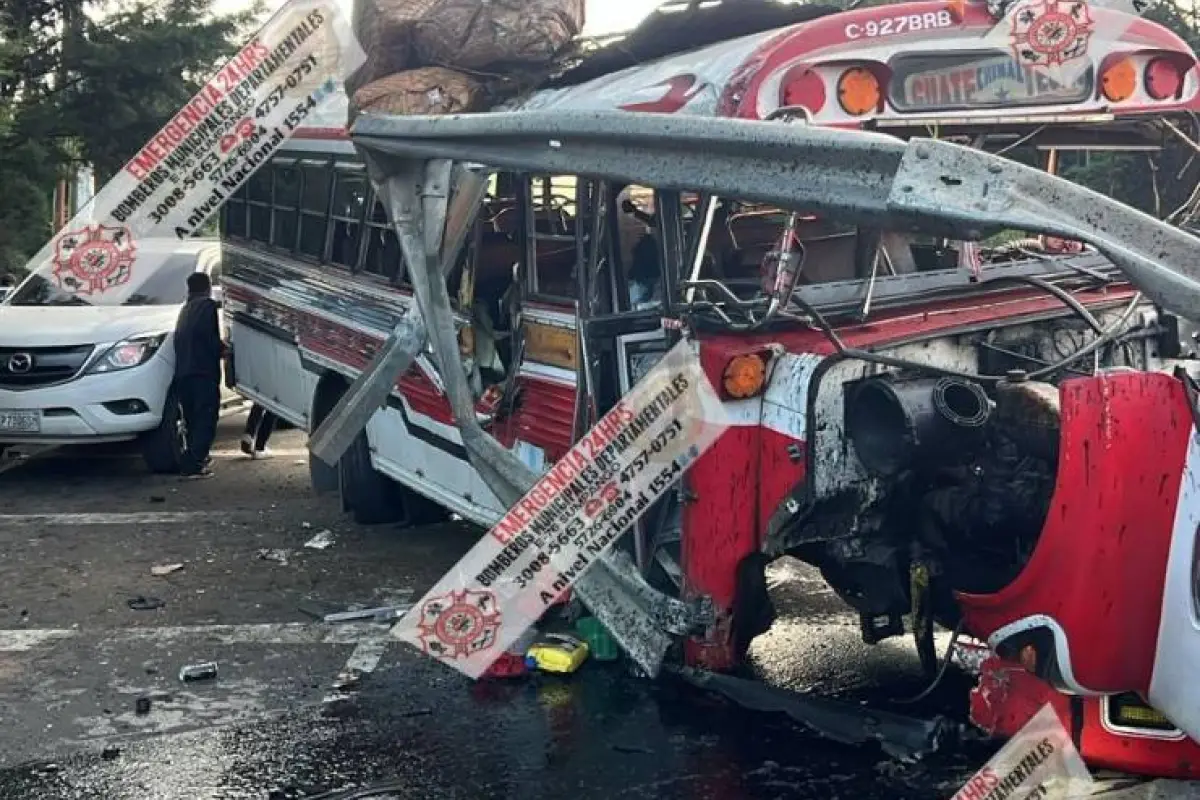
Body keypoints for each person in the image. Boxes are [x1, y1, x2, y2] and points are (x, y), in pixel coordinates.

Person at [173, 272, 224, 478]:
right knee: (206, 418)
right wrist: (222, 350)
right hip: (203, 372)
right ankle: (194, 462)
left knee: (192, 419)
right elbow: (207, 335)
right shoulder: (207, 306)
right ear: (208, 286)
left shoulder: (185, 309)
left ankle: (191, 458)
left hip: (184, 373)